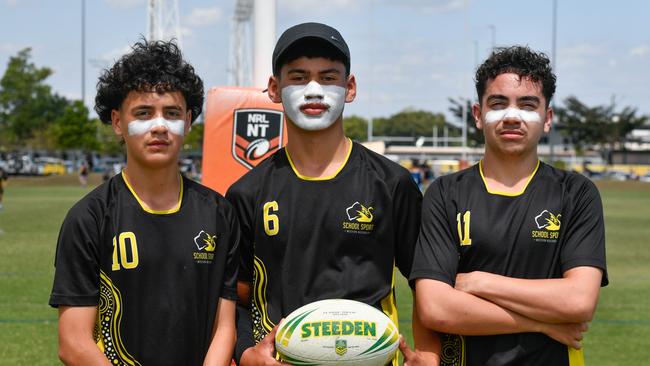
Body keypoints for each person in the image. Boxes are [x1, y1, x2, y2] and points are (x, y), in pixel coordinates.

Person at [226, 22, 438, 365]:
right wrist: (247, 354)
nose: (313, 90)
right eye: (298, 77)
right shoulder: (246, 193)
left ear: (350, 88)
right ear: (274, 88)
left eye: (328, 77)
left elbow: (427, 288)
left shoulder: (392, 183)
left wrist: (429, 355)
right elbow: (236, 297)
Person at [410, 46, 608, 365]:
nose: (512, 116)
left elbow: (579, 302)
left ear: (547, 118)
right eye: (498, 103)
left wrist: (477, 282)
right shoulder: (445, 192)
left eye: (527, 104)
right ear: (478, 115)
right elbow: (436, 309)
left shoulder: (576, 193)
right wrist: (541, 322)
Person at [49, 40, 239, 365]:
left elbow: (224, 327)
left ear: (189, 121)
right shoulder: (89, 218)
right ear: (118, 122)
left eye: (172, 113)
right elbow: (73, 342)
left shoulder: (219, 214)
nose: (160, 126)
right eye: (144, 113)